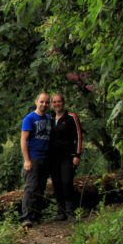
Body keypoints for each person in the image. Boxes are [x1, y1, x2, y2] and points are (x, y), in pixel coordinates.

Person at [20, 92, 52, 228]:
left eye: (46, 102)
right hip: (33, 158)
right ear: (36, 102)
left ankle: (36, 215)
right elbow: (23, 140)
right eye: (42, 102)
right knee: (30, 188)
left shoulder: (49, 118)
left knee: (41, 188)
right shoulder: (29, 118)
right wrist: (27, 160)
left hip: (45, 158)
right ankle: (25, 218)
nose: (44, 104)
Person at [49, 93, 83, 221]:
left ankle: (71, 211)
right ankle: (61, 212)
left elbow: (79, 136)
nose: (57, 104)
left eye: (59, 102)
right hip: (53, 158)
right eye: (54, 102)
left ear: (63, 103)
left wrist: (77, 154)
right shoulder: (50, 119)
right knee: (56, 183)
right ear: (52, 105)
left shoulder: (71, 117)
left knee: (67, 182)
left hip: (67, 156)